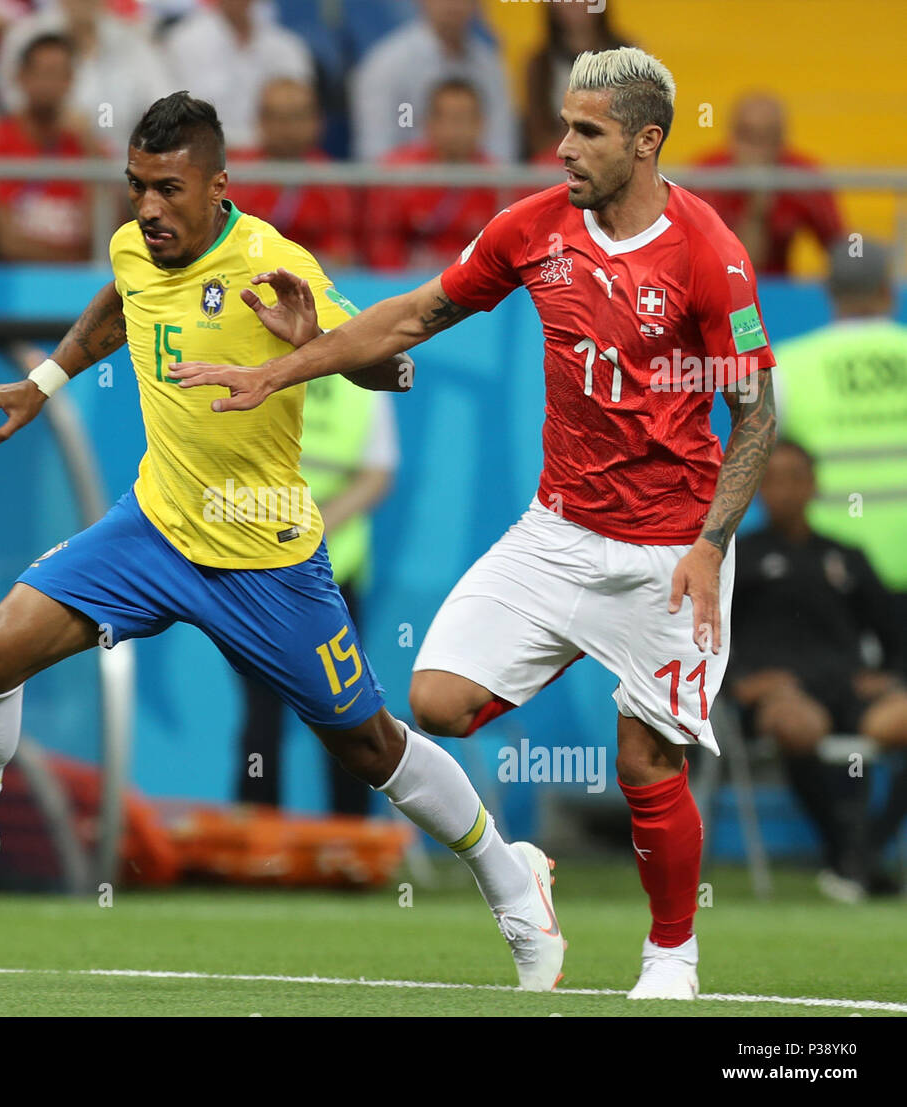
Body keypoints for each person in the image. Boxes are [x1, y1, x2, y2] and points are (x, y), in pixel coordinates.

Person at [0, 92, 565, 994]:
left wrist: (319, 341)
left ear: (218, 185)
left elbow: (394, 362)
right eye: (135, 187)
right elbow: (116, 308)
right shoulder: (132, 246)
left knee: (369, 746)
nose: (148, 209)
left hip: (264, 557)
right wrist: (41, 382)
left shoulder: (274, 261)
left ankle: (512, 877)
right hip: (151, 529)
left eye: (167, 189)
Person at [171, 47, 780, 1001]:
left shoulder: (711, 253)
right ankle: (519, 863)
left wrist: (710, 543)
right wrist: (289, 365)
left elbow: (756, 414)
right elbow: (413, 317)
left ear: (647, 140)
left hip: (671, 549)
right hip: (558, 531)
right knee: (437, 703)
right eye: (564, 124)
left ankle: (671, 958)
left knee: (645, 763)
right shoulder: (535, 228)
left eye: (588, 132)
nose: (562, 147)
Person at [730, 441, 907, 900]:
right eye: (770, 479)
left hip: (848, 690)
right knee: (798, 725)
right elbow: (705, 636)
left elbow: (895, 633)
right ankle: (850, 853)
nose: (782, 490)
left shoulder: (845, 557)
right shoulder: (738, 558)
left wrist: (888, 674)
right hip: (782, 695)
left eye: (794, 477)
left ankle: (861, 852)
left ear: (813, 485)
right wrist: (740, 683)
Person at [236, 376, 399, 814]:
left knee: (346, 708)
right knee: (261, 709)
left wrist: (313, 528)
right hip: (257, 563)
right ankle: (256, 844)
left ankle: (348, 841)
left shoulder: (363, 377)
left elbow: (377, 474)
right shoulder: (252, 362)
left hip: (333, 572)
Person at [773, 242, 907, 632]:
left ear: (828, 290)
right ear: (888, 288)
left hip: (828, 575)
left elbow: (755, 465)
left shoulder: (789, 367)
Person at [0, 0, 173, 156]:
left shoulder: (133, 40)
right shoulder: (24, 35)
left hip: (120, 172)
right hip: (41, 163)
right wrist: (57, 119)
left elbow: (168, 108)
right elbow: (9, 102)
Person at [693, 93, 842, 276]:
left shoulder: (802, 178)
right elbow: (735, 271)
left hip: (779, 294)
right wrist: (757, 207)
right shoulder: (705, 178)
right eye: (747, 135)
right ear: (732, 135)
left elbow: (840, 248)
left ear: (782, 139)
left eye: (767, 137)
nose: (756, 149)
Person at [0, 32, 93, 263]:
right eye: (44, 72)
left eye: (61, 74)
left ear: (71, 80)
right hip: (14, 283)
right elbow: (4, 241)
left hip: (81, 285)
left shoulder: (89, 146)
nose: (51, 84)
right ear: (21, 77)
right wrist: (73, 261)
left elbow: (104, 233)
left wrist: (91, 147)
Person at [350, 0, 515, 164]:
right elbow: (375, 155)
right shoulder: (386, 64)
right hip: (407, 184)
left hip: (479, 185)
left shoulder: (490, 66)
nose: (454, 5)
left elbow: (501, 149)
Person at [365, 78, 500, 272]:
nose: (456, 129)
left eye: (464, 119)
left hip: (472, 288)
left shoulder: (500, 182)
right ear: (429, 122)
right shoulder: (396, 174)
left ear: (481, 124)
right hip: (405, 287)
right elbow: (382, 249)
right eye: (448, 118)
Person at [225, 77, 357, 270]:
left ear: (318, 121)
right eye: (277, 117)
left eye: (297, 117)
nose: (287, 128)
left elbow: (341, 257)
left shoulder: (332, 183)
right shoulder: (237, 176)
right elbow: (222, 249)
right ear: (260, 121)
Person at [162, 0, 314, 150]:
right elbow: (174, 118)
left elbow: (304, 115)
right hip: (206, 160)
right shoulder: (184, 42)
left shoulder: (288, 47)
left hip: (278, 157)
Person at [523, 1, 631, 159]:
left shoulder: (628, 58)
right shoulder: (539, 65)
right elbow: (538, 135)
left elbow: (636, 126)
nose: (574, 3)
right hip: (558, 164)